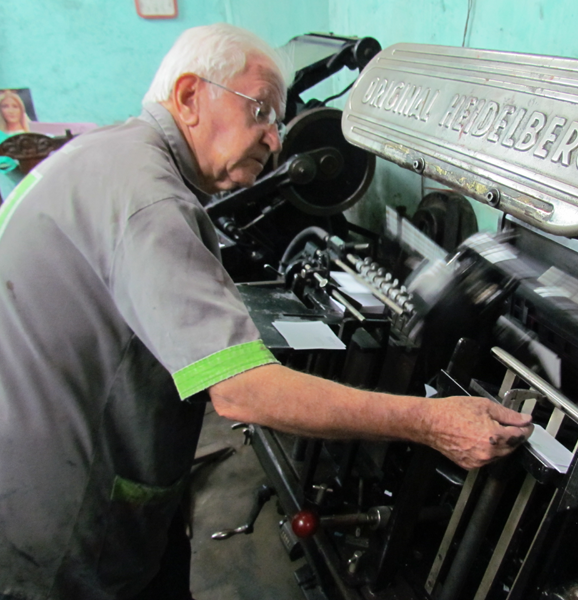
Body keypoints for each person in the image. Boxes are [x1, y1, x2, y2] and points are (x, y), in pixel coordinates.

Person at [0, 23, 533, 600]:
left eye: (276, 121)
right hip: (64, 525)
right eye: (259, 112)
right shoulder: (149, 199)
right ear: (189, 96)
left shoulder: (107, 155)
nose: (275, 141)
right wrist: (431, 422)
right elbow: (242, 392)